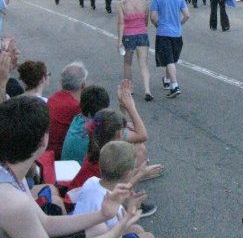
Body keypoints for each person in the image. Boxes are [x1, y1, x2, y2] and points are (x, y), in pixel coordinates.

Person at [0, 96, 140, 238]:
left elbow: (46, 223)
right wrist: (117, 230)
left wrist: (102, 215)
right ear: (43, 140)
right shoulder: (15, 203)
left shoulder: (12, 172)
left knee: (98, 227)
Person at [73, 141, 153, 238]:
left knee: (137, 229)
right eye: (133, 169)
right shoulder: (114, 209)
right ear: (127, 174)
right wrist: (131, 211)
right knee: (148, 236)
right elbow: (116, 232)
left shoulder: (91, 181)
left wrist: (140, 174)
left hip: (77, 230)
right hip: (99, 233)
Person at [150, 0, 190, 98]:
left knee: (168, 59)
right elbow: (186, 15)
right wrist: (179, 24)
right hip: (177, 33)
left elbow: (153, 17)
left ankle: (174, 85)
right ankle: (167, 80)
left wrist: (158, 25)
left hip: (163, 32)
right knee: (170, 59)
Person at [117, 0, 153, 101]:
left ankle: (129, 88)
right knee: (143, 63)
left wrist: (119, 40)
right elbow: (146, 21)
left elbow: (121, 23)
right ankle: (147, 89)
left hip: (128, 35)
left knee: (128, 63)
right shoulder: (144, 3)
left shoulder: (122, 4)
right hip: (142, 33)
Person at [47, 62, 87, 159]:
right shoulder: (76, 108)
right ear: (83, 85)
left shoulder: (52, 99)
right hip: (60, 155)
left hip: (46, 152)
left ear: (61, 82)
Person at [61, 85, 110, 164]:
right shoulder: (101, 129)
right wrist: (128, 106)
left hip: (68, 167)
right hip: (84, 170)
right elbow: (134, 135)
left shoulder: (78, 119)